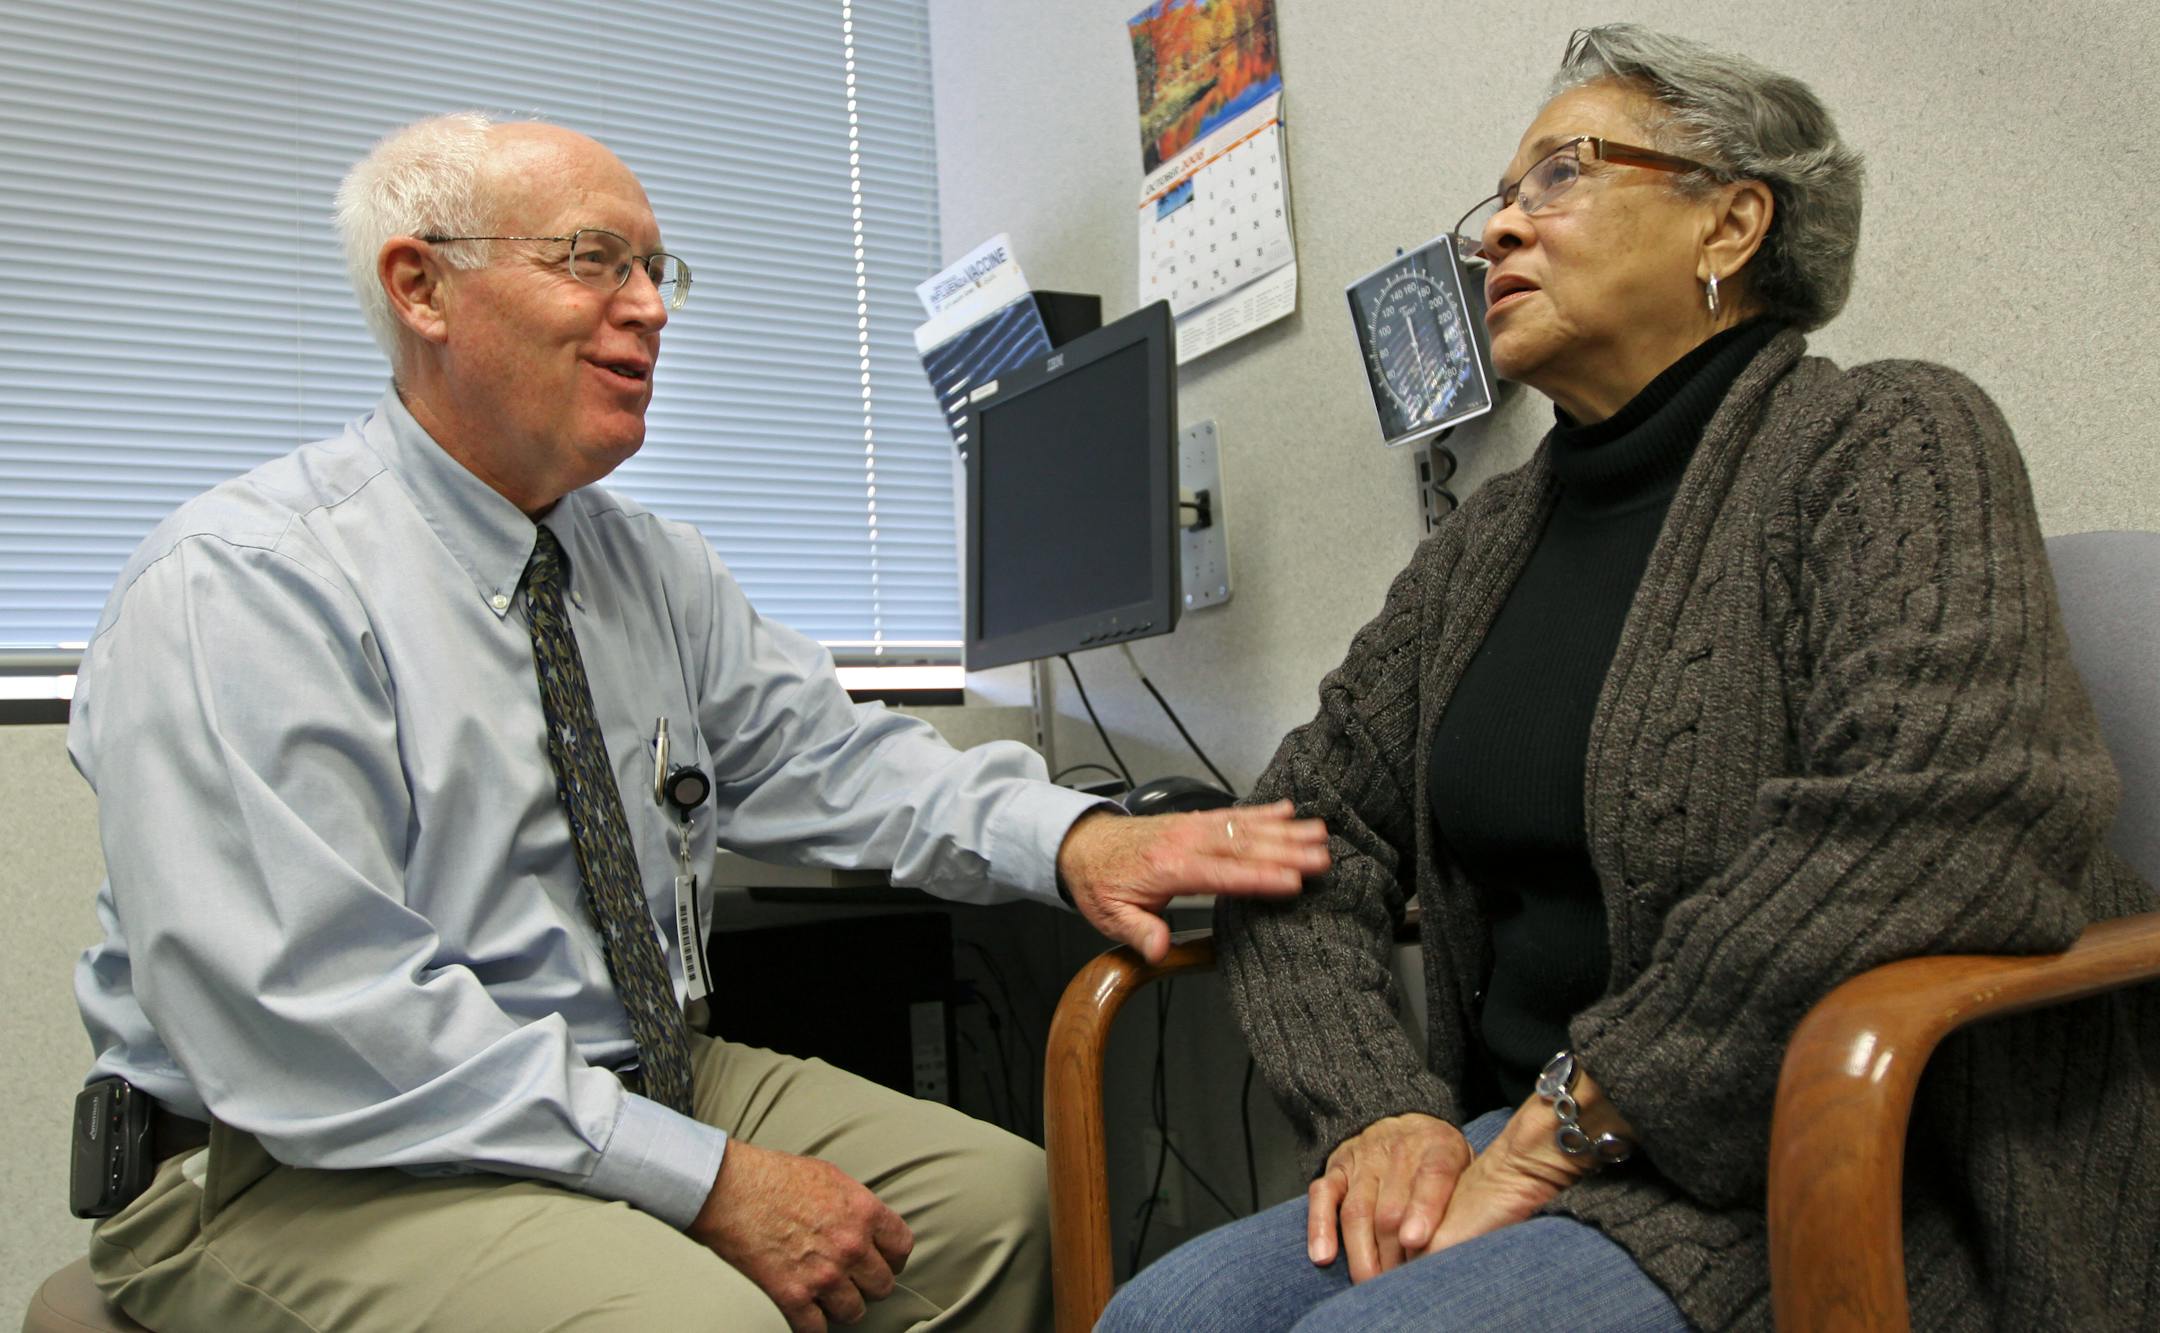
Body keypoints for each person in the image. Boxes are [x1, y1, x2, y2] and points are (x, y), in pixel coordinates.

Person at [68, 112, 1330, 1333]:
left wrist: (1078, 841)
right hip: (303, 1146)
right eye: (591, 261)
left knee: (1009, 1212)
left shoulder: (646, 570)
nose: (653, 305)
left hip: (627, 1068)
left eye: (657, 268)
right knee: (699, 1319)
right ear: (422, 288)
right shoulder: (243, 583)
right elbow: (325, 1020)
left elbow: (835, 761)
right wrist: (706, 1180)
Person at [1102, 23, 2158, 1333]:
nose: (1498, 233)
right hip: (1524, 1141)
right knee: (1160, 1317)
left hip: (1836, 1158)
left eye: (1561, 175)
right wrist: (1379, 1106)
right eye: (1500, 199)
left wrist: (1564, 1120)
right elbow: (1300, 833)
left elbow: (1950, 818)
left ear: (1730, 224)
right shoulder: (1483, 545)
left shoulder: (1890, 437)